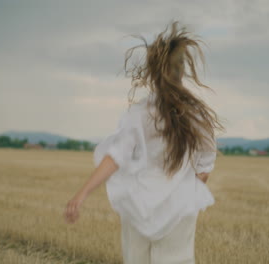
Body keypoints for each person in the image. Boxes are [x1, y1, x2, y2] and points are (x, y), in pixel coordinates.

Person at [64, 21, 225, 264]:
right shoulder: (197, 115)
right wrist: (187, 192)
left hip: (139, 206)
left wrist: (81, 194)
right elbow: (205, 163)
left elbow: (117, 156)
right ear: (182, 71)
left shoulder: (140, 114)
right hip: (179, 208)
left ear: (152, 72)